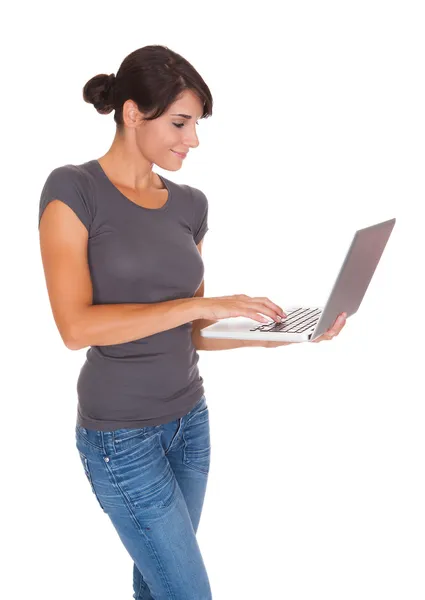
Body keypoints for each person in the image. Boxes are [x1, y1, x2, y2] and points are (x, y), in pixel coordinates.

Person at [38, 44, 347, 600]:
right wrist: (200, 305)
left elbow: (196, 330)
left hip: (189, 423)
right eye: (180, 122)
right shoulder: (73, 190)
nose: (193, 139)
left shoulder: (190, 204)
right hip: (120, 434)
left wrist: (275, 333)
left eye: (196, 124)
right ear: (132, 113)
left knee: (159, 586)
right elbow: (74, 327)